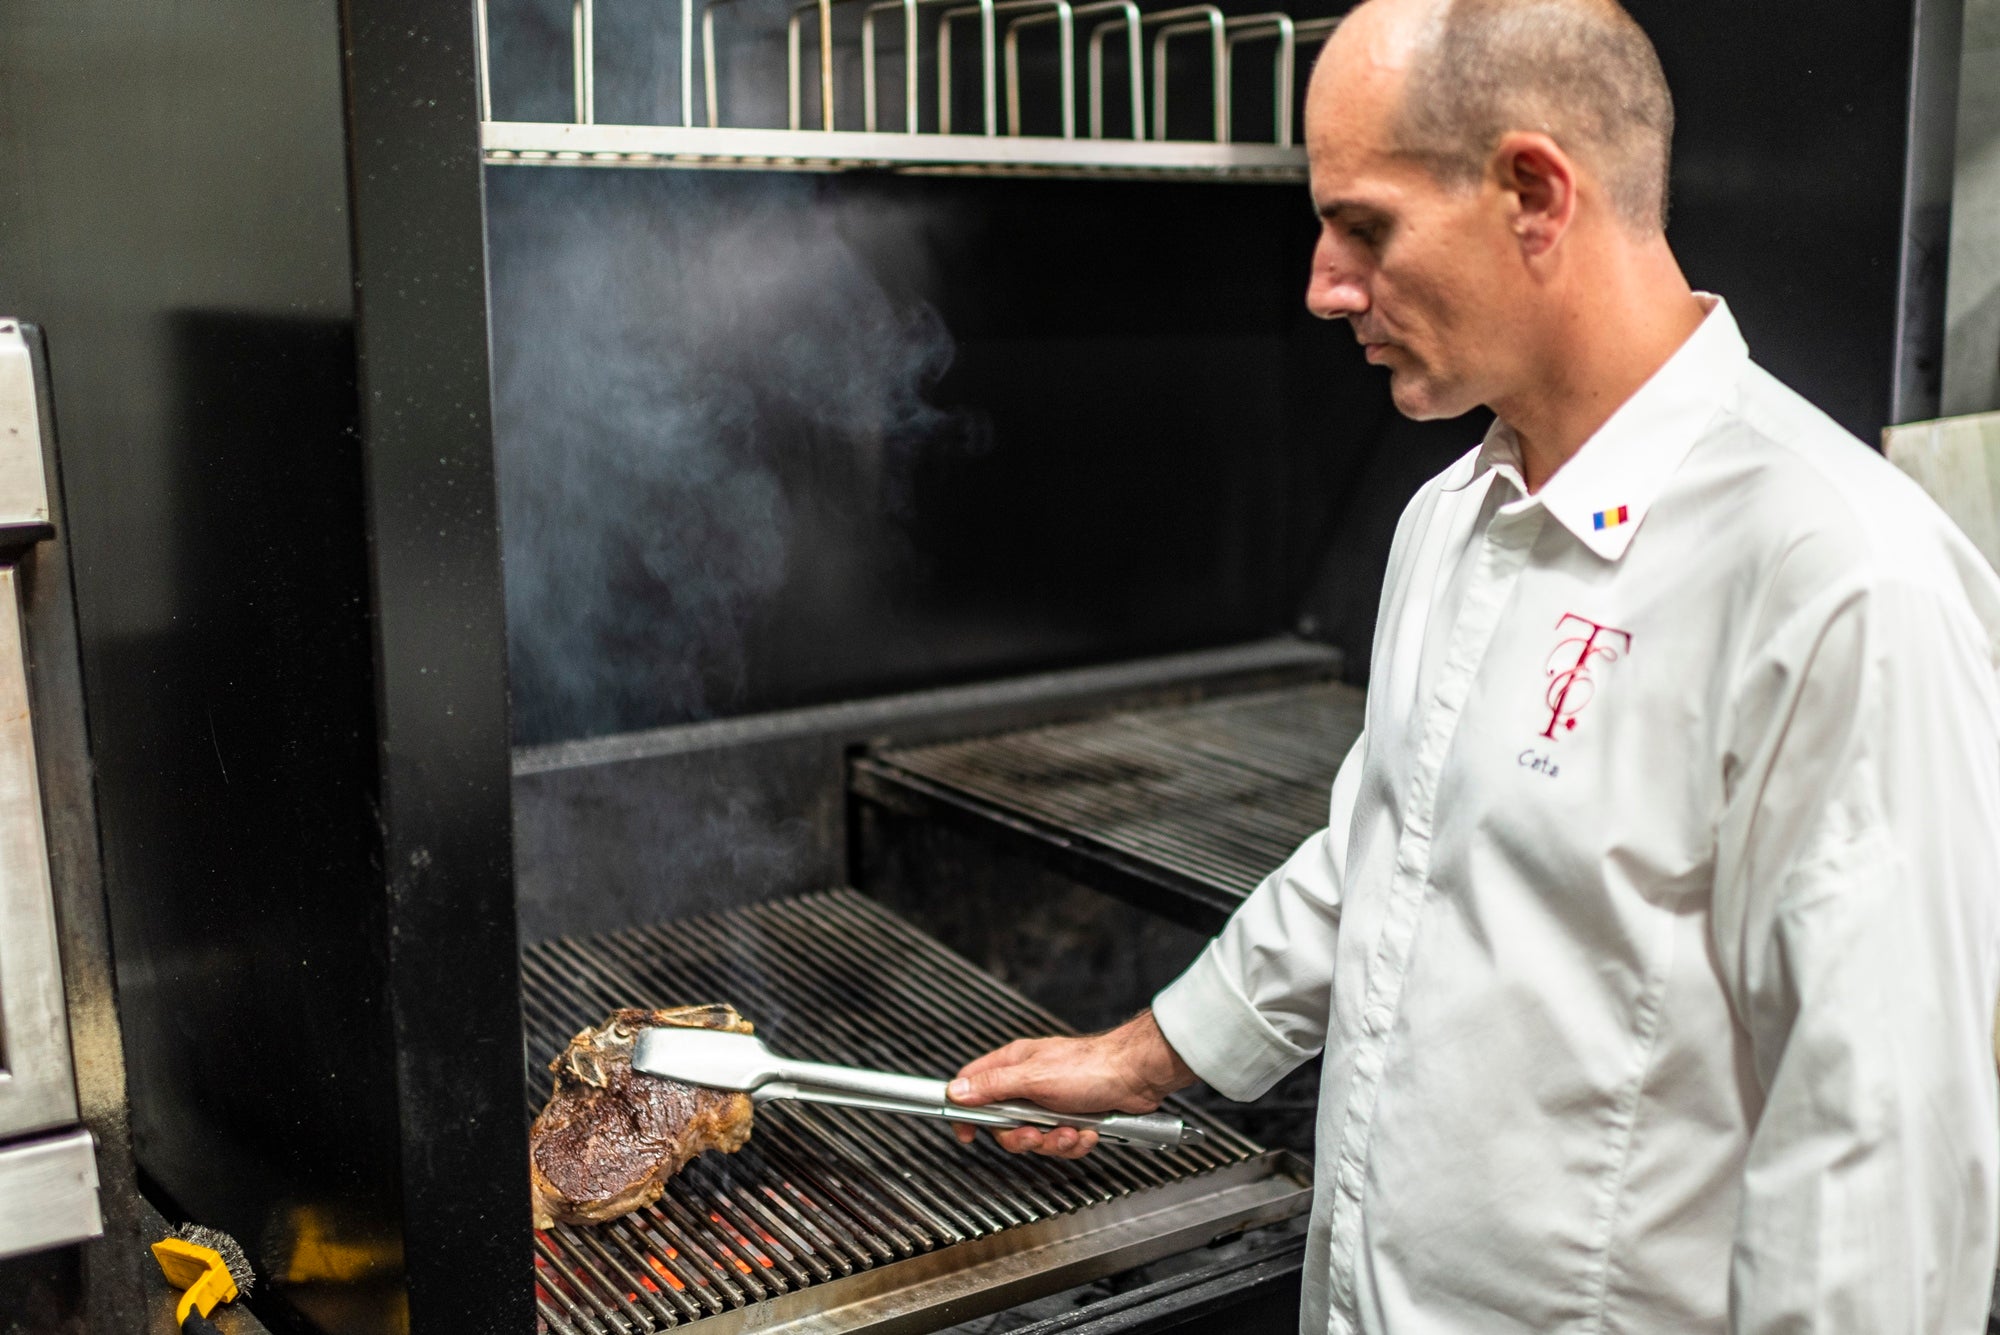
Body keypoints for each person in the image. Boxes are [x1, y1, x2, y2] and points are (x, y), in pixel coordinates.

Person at [944, 0, 2000, 1330]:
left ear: (1534, 194)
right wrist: (1149, 1056)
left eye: (1364, 227)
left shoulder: (1838, 574)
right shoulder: (1452, 519)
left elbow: (1875, 1177)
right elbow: (1387, 849)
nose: (1325, 284)